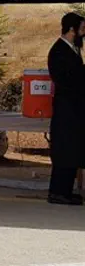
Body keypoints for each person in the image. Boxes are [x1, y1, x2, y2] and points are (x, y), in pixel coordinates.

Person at [45, 12, 85, 206]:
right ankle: (58, 192)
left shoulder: (72, 50)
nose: (83, 34)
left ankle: (65, 191)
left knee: (71, 149)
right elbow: (67, 80)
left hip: (74, 109)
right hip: (66, 108)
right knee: (64, 149)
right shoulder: (59, 51)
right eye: (82, 29)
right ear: (72, 29)